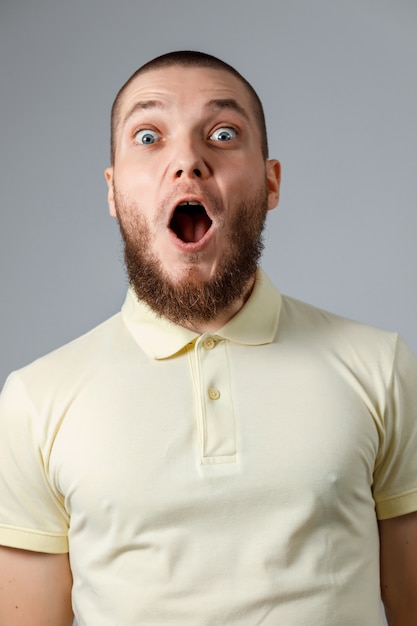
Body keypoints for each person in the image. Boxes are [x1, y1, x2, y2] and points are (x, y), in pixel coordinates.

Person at [0, 50, 416, 626]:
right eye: (149, 136)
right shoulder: (34, 401)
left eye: (223, 133)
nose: (188, 161)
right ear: (114, 191)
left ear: (271, 183)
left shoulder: (382, 366)